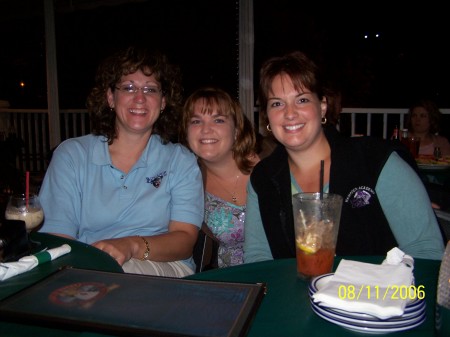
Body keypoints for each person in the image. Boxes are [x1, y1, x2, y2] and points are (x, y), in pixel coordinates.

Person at [244, 51, 444, 263]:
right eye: (277, 103)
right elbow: (258, 259)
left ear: (322, 107)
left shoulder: (372, 160)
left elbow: (427, 253)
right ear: (267, 115)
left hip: (381, 293)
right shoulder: (263, 178)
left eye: (301, 100)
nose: (290, 113)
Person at [38, 46, 204, 277]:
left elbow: (184, 240)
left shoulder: (180, 160)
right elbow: (57, 237)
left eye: (150, 89)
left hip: (165, 267)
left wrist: (131, 245)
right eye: (128, 87)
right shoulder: (72, 155)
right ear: (110, 98)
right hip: (89, 267)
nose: (139, 98)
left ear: (163, 102)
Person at [179, 87, 260, 267]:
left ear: (237, 130)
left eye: (218, 120)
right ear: (186, 132)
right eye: (196, 121)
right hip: (233, 280)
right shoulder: (187, 183)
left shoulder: (269, 166)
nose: (206, 130)